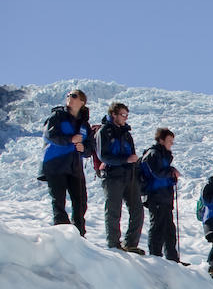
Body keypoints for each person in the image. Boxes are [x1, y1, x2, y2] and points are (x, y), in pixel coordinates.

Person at [41, 89, 98, 234]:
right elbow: (49, 135)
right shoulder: (58, 116)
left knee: (80, 201)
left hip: (75, 166)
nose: (69, 98)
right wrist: (70, 140)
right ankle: (61, 233)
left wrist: (83, 148)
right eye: (68, 95)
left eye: (73, 96)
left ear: (82, 102)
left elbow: (90, 147)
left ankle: (79, 234)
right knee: (58, 201)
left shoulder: (84, 125)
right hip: (55, 163)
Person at [95, 102, 144, 253]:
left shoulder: (127, 134)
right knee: (114, 210)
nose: (125, 118)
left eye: (126, 115)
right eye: (123, 115)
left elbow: (133, 156)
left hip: (129, 176)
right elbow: (103, 155)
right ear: (113, 115)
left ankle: (130, 244)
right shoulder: (104, 132)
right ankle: (114, 244)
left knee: (137, 210)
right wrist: (125, 160)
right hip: (112, 176)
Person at [138, 128, 184, 263]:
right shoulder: (153, 154)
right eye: (169, 141)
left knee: (169, 228)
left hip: (164, 196)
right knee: (157, 225)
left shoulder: (163, 155)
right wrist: (171, 172)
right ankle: (155, 256)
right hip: (155, 195)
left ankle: (172, 258)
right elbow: (157, 173)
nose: (171, 144)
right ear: (161, 140)